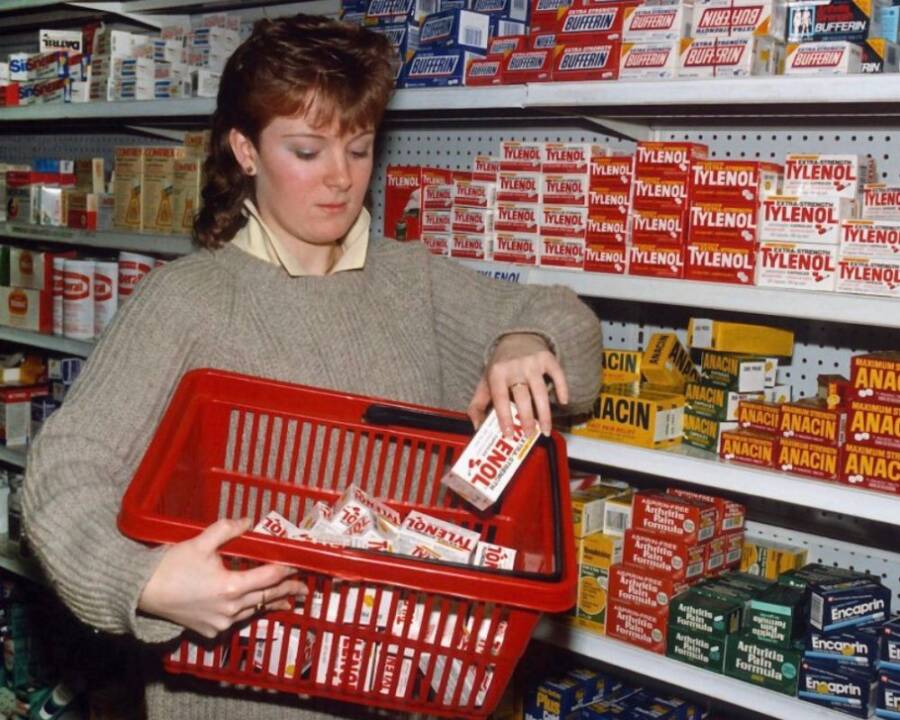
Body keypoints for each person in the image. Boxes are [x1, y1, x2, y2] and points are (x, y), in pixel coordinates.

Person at [24, 13, 603, 720]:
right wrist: (142, 581)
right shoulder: (186, 301)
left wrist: (521, 337)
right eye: (307, 151)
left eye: (359, 151)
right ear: (245, 150)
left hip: (402, 686)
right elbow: (62, 473)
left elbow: (567, 324)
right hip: (239, 698)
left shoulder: (410, 281)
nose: (339, 179)